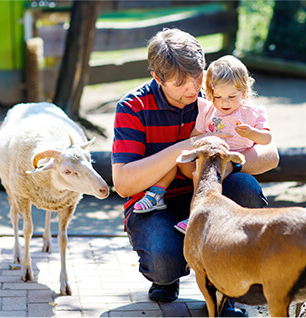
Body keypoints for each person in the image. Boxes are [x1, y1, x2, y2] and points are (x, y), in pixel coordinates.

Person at [111, 28, 279, 314]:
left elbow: (270, 156)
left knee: (246, 188)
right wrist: (188, 145)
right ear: (157, 77)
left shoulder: (218, 95)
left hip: (211, 198)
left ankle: (226, 290)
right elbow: (124, 184)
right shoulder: (132, 107)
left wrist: (225, 161)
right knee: (164, 263)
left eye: (197, 76)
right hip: (156, 205)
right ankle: (168, 274)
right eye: (180, 83)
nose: (193, 88)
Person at [174, 55, 272, 233]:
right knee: (200, 176)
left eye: (231, 96)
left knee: (241, 187)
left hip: (235, 164)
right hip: (211, 160)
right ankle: (194, 217)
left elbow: (266, 139)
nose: (225, 102)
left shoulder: (251, 113)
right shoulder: (208, 110)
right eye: (218, 96)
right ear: (210, 93)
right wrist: (205, 139)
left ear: (244, 92)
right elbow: (195, 135)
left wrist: (251, 132)